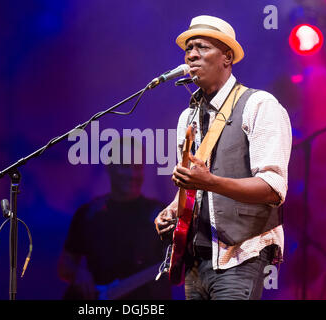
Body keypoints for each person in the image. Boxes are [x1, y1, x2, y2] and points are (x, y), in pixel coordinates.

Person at [154, 15, 292, 300]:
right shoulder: (188, 117)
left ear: (227, 57)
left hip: (240, 256)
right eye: (188, 48)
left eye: (202, 47)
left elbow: (273, 189)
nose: (192, 55)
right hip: (196, 259)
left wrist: (210, 181)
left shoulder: (259, 105)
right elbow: (195, 188)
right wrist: (171, 209)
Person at [58, 137, 171, 300]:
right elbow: (65, 265)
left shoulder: (162, 215)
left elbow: (179, 269)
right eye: (125, 166)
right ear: (109, 167)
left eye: (137, 167)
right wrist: (78, 273)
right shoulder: (89, 214)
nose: (132, 174)